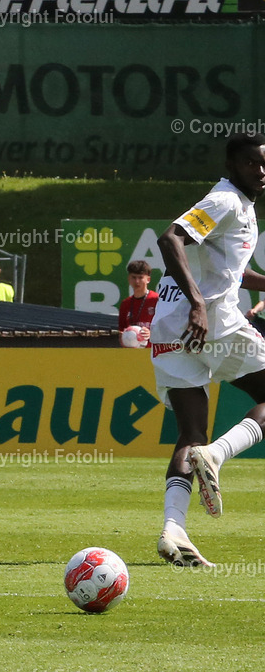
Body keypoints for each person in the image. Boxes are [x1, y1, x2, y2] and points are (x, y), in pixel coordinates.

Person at [150, 133, 265, 568]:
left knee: (190, 432)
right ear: (233, 165)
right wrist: (199, 303)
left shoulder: (241, 207)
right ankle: (216, 455)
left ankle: (173, 530)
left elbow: (236, 273)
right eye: (253, 163)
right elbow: (169, 239)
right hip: (209, 321)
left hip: (168, 327)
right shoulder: (226, 201)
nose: (262, 170)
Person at [118, 260, 158, 348]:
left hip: (153, 353)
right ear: (129, 279)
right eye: (134, 277)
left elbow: (167, 328)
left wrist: (152, 334)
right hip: (133, 353)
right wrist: (123, 337)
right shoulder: (125, 304)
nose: (137, 281)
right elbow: (121, 330)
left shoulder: (157, 300)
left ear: (148, 279)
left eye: (140, 278)